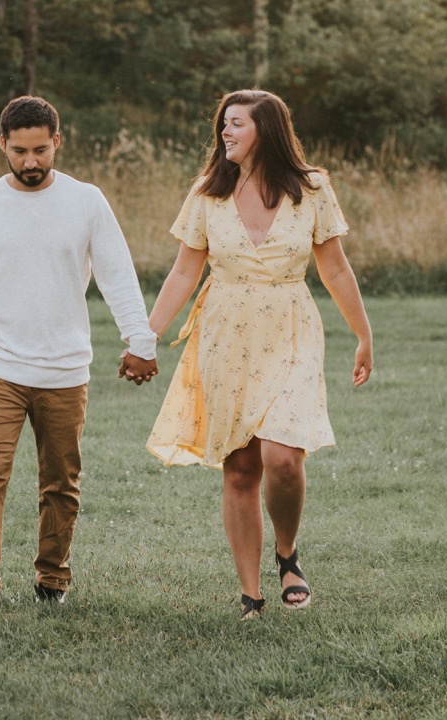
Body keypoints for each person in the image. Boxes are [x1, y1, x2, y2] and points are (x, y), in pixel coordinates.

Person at [0, 95, 159, 628]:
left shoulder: (87, 202)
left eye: (40, 150)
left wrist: (141, 340)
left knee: (61, 482)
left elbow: (118, 277)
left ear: (57, 143)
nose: (30, 162)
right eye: (19, 151)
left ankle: (52, 577)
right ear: (2, 145)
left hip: (65, 370)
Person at [140, 89, 372, 620]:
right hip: (225, 332)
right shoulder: (207, 192)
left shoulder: (311, 189)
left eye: (236, 124)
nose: (225, 132)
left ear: (266, 130)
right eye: (223, 124)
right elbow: (183, 271)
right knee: (242, 466)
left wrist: (363, 334)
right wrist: (147, 334)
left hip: (290, 327)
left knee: (283, 457)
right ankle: (251, 594)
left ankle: (287, 553)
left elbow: (334, 268)